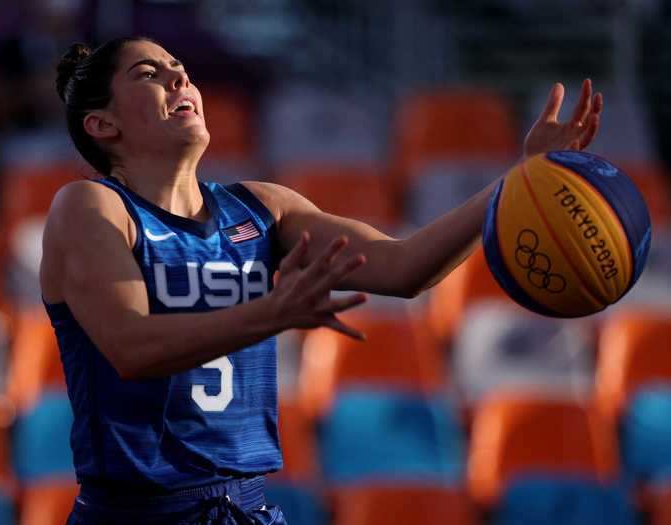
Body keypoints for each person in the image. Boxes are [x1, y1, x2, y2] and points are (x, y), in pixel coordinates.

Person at [41, 36, 603, 525]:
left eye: (177, 67)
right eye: (149, 73)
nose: (178, 76)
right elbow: (132, 348)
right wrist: (272, 313)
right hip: (137, 513)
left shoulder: (263, 207)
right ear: (102, 124)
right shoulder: (91, 206)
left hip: (245, 506)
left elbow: (404, 266)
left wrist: (519, 184)